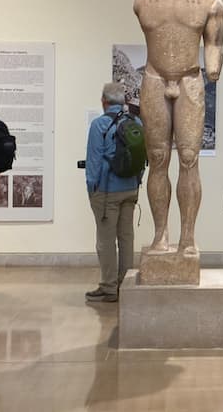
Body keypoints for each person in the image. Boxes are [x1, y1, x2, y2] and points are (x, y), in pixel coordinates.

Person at [134, 0, 223, 254]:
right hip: (154, 80)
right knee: (158, 159)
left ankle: (188, 236)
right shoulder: (142, 2)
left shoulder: (210, 3)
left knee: (188, 158)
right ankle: (161, 234)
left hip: (189, 81)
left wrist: (213, 65)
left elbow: (214, 43)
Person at [84, 82, 141, 302]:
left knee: (106, 240)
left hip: (107, 191)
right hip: (131, 189)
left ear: (104, 101)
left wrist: (92, 189)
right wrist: (137, 182)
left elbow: (94, 161)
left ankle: (108, 287)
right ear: (123, 101)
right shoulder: (135, 122)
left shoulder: (99, 125)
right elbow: (141, 157)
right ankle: (125, 285)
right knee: (126, 237)